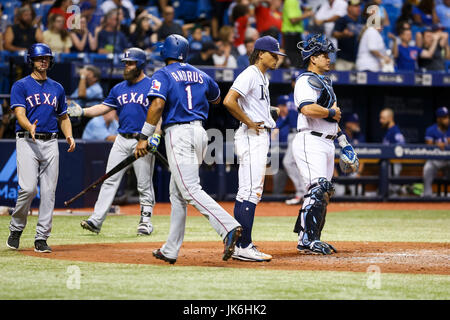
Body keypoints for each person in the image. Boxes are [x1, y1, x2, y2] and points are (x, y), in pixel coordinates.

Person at [134, 34, 242, 264]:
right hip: (200, 133)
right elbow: (216, 98)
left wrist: (144, 135)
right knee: (178, 194)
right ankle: (170, 249)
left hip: (179, 133)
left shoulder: (163, 73)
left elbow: (157, 104)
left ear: (167, 52)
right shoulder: (201, 73)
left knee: (190, 190)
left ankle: (228, 226)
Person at [68, 48, 160, 236]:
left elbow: (159, 112)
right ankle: (96, 220)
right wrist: (83, 111)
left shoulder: (152, 85)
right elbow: (103, 107)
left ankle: (146, 221)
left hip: (142, 139)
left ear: (141, 64)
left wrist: (156, 135)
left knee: (143, 183)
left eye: (130, 63)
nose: (126, 66)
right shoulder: (119, 88)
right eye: (125, 63)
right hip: (122, 138)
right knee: (109, 179)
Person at [6, 43, 76, 253]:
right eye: (39, 58)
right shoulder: (21, 85)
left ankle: (41, 238)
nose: (43, 61)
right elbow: (19, 112)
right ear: (31, 61)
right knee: (27, 189)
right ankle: (16, 228)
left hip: (51, 141)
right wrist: (29, 125)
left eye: (46, 58)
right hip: (27, 140)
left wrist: (69, 135)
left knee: (48, 192)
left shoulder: (57, 88)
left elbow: (63, 116)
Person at [222, 35, 287, 262]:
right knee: (251, 192)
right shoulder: (250, 73)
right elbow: (229, 100)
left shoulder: (262, 77)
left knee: (247, 191)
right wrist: (250, 121)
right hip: (252, 135)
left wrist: (267, 113)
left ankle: (241, 243)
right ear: (261, 53)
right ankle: (244, 245)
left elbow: (249, 103)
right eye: (273, 54)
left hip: (258, 134)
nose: (277, 58)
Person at [293, 34, 358, 255]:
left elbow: (334, 120)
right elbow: (306, 108)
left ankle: (312, 237)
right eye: (323, 55)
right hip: (310, 139)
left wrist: (344, 142)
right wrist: (330, 111)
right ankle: (306, 240)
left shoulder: (326, 83)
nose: (328, 59)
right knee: (318, 187)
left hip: (327, 141)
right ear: (312, 58)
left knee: (324, 191)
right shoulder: (305, 80)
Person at [423, 107, 450, 197]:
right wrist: (436, 144)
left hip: (448, 159)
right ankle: (427, 195)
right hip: (435, 160)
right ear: (439, 119)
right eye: (444, 117)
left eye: (447, 117)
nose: (447, 120)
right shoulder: (431, 130)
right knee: (427, 168)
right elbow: (428, 146)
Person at [332, 0, 364, 71]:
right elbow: (334, 34)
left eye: (359, 6)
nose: (358, 8)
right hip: (343, 59)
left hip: (358, 59)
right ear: (348, 8)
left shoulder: (362, 21)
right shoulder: (342, 20)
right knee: (341, 81)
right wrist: (343, 34)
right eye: (355, 6)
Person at [379, 107, 405, 194]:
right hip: (388, 165)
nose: (380, 120)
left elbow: (401, 147)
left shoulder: (395, 131)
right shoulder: (388, 131)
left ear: (390, 118)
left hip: (393, 164)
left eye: (383, 118)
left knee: (393, 191)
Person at [282, 0, 314, 68]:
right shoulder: (291, 1)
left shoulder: (296, 2)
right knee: (294, 60)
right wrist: (306, 15)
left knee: (300, 60)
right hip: (291, 35)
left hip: (296, 34)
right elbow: (293, 20)